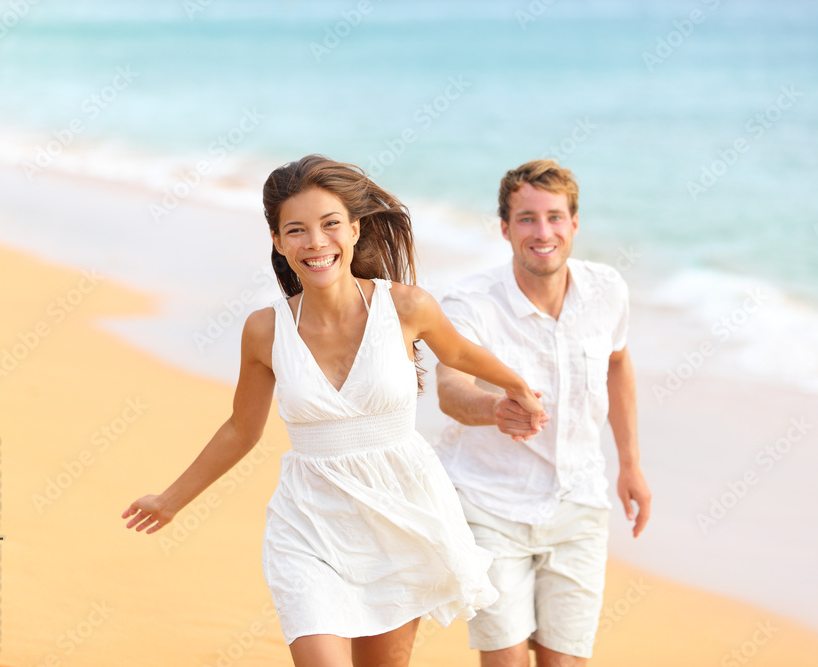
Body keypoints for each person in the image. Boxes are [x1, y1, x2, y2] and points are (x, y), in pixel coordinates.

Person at [121, 155, 547, 667]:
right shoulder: (265, 330)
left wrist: (516, 386)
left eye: (329, 225)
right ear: (278, 242)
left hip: (399, 513)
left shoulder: (407, 307)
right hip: (310, 524)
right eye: (296, 230)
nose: (315, 242)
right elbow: (241, 429)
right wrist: (170, 500)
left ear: (354, 229)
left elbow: (458, 353)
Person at [435, 159, 651, 667]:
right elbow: (449, 389)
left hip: (578, 502)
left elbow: (618, 363)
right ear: (505, 228)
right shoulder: (471, 302)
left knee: (565, 660)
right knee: (506, 660)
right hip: (488, 504)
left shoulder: (607, 291)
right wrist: (495, 408)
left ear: (574, 223)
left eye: (555, 217)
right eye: (527, 219)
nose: (543, 232)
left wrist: (631, 464)